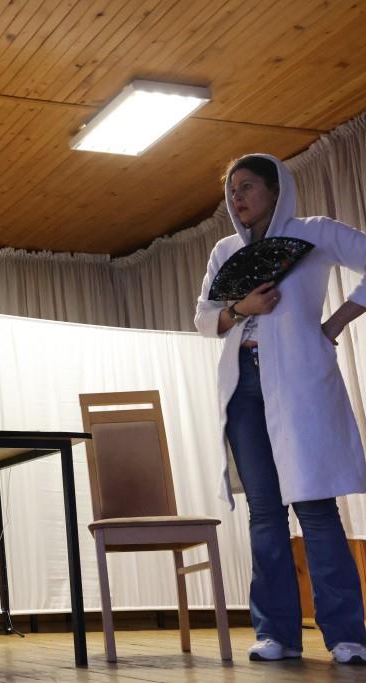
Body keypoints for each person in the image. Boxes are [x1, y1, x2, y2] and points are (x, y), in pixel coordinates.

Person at [195, 153, 366, 665]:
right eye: (231, 191)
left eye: (247, 186)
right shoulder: (225, 250)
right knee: (265, 513)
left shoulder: (314, 232)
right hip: (243, 386)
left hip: (299, 381)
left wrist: (335, 323)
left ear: (276, 189)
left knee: (315, 506)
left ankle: (348, 636)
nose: (237, 198)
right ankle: (276, 634)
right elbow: (204, 320)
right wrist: (239, 309)